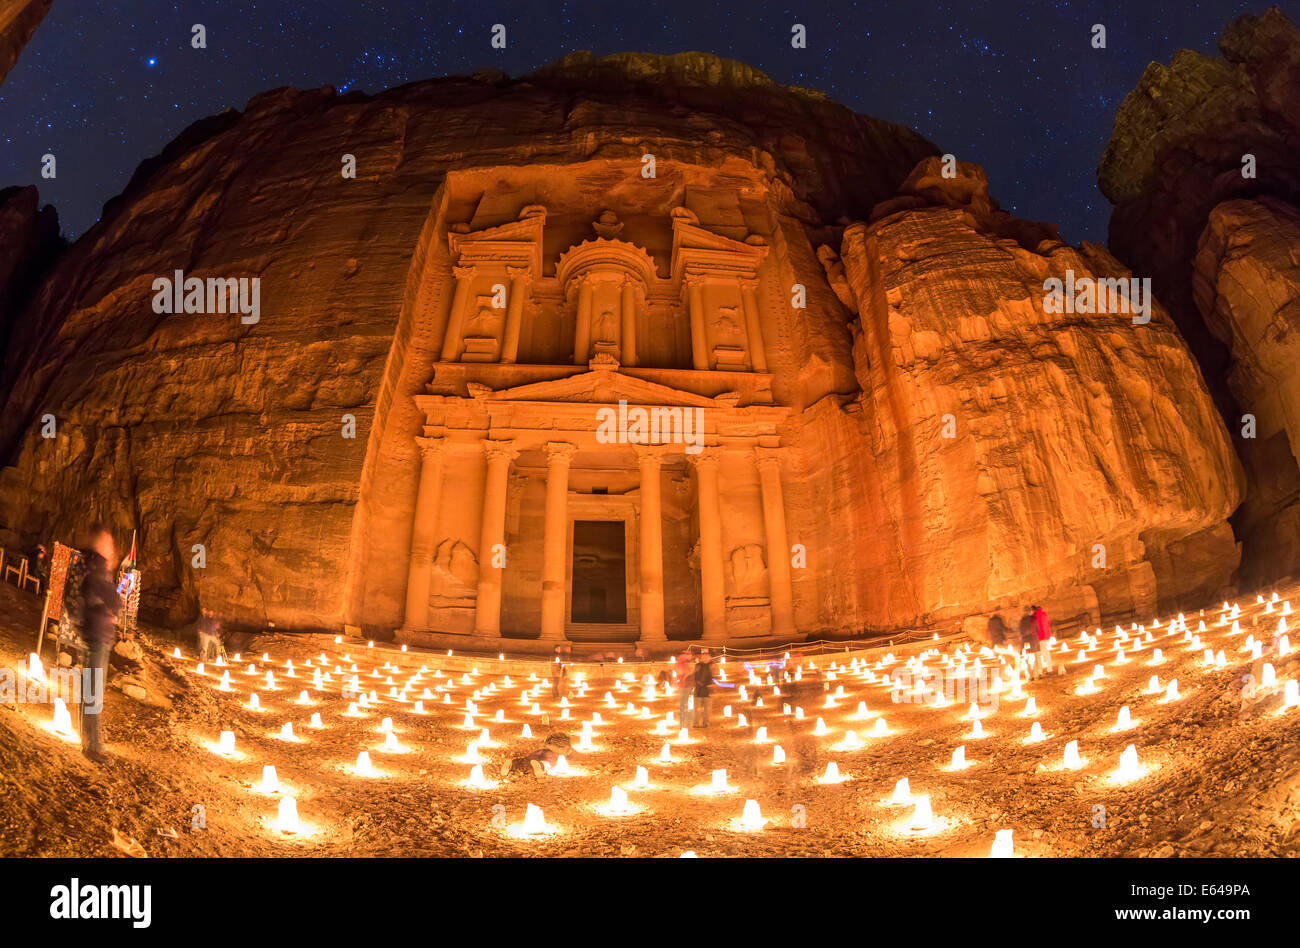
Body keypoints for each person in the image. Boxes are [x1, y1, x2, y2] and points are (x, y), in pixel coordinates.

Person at [80, 524, 121, 764]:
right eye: (108, 542)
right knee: (93, 694)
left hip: (99, 637)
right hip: (97, 637)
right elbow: (112, 601)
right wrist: (110, 610)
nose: (112, 547)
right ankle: (93, 747)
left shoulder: (97, 571)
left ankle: (90, 742)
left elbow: (111, 602)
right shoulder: (96, 572)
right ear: (100, 545)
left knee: (93, 693)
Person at [499, 733, 572, 779]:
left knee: (523, 761)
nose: (568, 751)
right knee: (547, 763)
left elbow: (533, 756)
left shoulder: (543, 749)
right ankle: (539, 765)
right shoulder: (552, 755)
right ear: (559, 748)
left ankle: (512, 763)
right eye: (567, 749)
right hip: (538, 760)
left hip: (532, 757)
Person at [1033, 605, 1060, 676]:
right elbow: (1048, 624)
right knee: (1046, 652)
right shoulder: (1044, 614)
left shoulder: (1035, 616)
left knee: (1038, 654)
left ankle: (1040, 671)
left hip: (1039, 637)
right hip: (1046, 636)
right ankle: (1049, 668)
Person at [693, 651, 714, 728]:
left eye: (707, 657)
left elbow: (713, 677)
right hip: (698, 690)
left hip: (707, 690)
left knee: (707, 708)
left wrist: (709, 684)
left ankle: (706, 723)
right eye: (703, 657)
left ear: (710, 658)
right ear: (700, 659)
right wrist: (698, 683)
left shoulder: (711, 666)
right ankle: (696, 723)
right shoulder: (698, 666)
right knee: (696, 708)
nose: (705, 659)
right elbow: (695, 677)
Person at [675, 648, 695, 726]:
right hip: (686, 685)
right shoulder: (683, 665)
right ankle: (686, 718)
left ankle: (684, 718)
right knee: (686, 702)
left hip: (685, 685)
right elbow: (685, 675)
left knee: (685, 702)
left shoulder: (680, 664)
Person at [1017, 607, 1039, 679]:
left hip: (1025, 642)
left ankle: (1030, 675)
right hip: (1033, 640)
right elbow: (1038, 629)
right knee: (1035, 658)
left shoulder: (1022, 621)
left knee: (1027, 658)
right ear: (1030, 612)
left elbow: (1020, 632)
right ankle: (1036, 674)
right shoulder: (1034, 619)